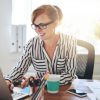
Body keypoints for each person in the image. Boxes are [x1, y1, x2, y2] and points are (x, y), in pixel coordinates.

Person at [5, 4, 77, 91]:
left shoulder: (70, 41)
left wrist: (39, 81)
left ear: (55, 23)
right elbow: (20, 69)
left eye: (42, 25)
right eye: (35, 26)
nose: (38, 30)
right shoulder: (31, 44)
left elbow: (70, 74)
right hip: (42, 92)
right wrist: (8, 80)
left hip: (65, 91)